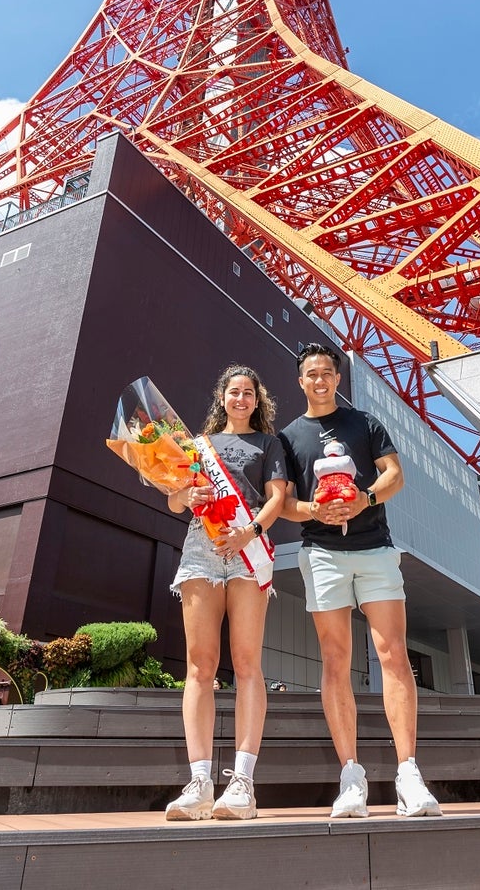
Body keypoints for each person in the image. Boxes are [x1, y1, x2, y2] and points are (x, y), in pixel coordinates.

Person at [280, 343, 442, 819]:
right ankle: (351, 776)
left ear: (337, 378)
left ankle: (408, 773)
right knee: (335, 660)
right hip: (322, 552)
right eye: (311, 374)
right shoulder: (289, 437)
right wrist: (319, 509)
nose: (320, 380)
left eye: (327, 373)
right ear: (301, 381)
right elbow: (285, 502)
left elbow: (396, 475)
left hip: (375, 548)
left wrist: (364, 499)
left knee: (392, 652)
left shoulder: (366, 424)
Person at [164, 365, 287, 822]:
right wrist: (186, 499)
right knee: (200, 665)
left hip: (247, 545)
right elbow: (176, 499)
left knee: (247, 662)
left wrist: (248, 531)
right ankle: (198, 782)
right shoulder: (199, 445)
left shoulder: (269, 444)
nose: (241, 399)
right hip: (202, 546)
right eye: (233, 392)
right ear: (222, 397)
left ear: (258, 400)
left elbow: (276, 497)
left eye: (248, 393)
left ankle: (242, 783)